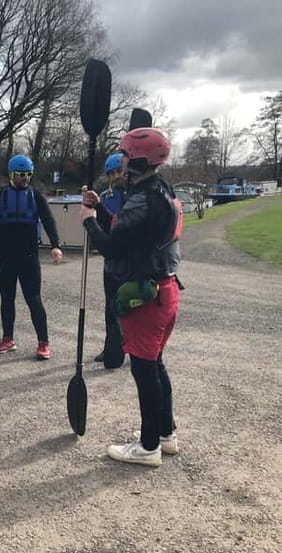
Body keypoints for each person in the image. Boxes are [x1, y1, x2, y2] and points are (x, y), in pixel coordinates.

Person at [79, 127, 182, 467]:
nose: (120, 160)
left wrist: (89, 222)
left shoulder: (144, 198)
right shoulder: (159, 190)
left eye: (124, 155)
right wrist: (103, 211)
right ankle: (165, 434)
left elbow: (111, 246)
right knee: (156, 365)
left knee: (143, 370)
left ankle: (148, 445)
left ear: (138, 160)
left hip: (146, 297)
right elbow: (129, 230)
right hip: (165, 291)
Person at [0, 154, 63, 360]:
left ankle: (43, 342)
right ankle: (7, 339)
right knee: (7, 299)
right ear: (12, 174)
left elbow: (49, 220)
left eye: (27, 174)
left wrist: (55, 245)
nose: (24, 178)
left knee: (34, 299)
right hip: (5, 256)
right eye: (20, 174)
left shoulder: (36, 196)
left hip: (29, 256)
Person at [93, 152, 127, 369]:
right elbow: (104, 226)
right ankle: (111, 347)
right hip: (111, 261)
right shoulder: (106, 196)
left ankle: (136, 348)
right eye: (111, 173)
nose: (116, 176)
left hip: (132, 263)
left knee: (134, 306)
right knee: (110, 308)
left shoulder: (137, 195)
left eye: (119, 171)